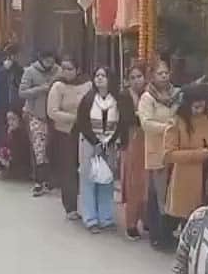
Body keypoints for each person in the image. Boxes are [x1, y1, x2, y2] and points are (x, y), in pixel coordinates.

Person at [75, 65, 133, 233]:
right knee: (88, 179)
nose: (99, 78)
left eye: (103, 76)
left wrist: (111, 141)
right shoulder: (88, 99)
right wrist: (96, 142)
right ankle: (90, 219)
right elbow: (82, 122)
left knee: (106, 179)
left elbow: (122, 122)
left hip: (110, 144)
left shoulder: (118, 99)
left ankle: (106, 218)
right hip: (89, 142)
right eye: (97, 76)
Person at [163, 84, 208, 245]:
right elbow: (169, 154)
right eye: (195, 107)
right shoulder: (176, 121)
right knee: (190, 217)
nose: (198, 110)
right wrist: (199, 154)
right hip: (187, 176)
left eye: (202, 106)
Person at [140, 60, 181, 250]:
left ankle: (169, 232)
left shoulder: (176, 95)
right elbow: (146, 123)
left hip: (175, 151)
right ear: (152, 76)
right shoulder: (147, 97)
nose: (164, 76)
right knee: (159, 195)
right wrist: (168, 128)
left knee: (173, 193)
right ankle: (157, 235)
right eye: (160, 73)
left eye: (166, 73)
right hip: (157, 151)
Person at [46, 57, 89, 220]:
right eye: (63, 68)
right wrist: (74, 118)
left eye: (70, 69)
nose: (66, 72)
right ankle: (70, 207)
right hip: (65, 133)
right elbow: (52, 111)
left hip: (86, 132)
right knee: (69, 169)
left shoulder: (87, 84)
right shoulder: (58, 86)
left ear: (77, 70)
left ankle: (88, 207)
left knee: (86, 169)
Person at [19, 50, 60, 196]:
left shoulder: (59, 71)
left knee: (52, 148)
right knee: (38, 149)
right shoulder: (30, 71)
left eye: (52, 59)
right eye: (47, 59)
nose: (50, 62)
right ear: (41, 59)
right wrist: (40, 89)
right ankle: (38, 181)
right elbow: (22, 92)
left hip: (54, 117)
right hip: (35, 115)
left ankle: (50, 180)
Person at [120, 63, 149, 240]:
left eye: (139, 76)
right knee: (134, 183)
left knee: (149, 183)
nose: (137, 80)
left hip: (151, 141)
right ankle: (131, 223)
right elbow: (128, 119)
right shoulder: (124, 96)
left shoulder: (151, 93)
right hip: (133, 141)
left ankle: (146, 219)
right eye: (133, 77)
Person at [0, 43, 23, 164]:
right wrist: (4, 69)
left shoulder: (17, 67)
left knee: (13, 133)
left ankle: (12, 161)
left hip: (14, 105)